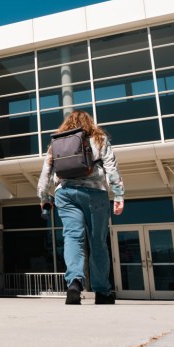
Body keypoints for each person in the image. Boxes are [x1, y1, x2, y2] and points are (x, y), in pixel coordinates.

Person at [37, 110, 125, 305]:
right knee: (98, 242)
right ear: (89, 122)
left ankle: (74, 282)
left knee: (72, 238)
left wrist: (43, 197)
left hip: (65, 193)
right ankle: (102, 292)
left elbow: (45, 173)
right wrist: (118, 194)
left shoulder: (56, 143)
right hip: (95, 193)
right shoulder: (99, 139)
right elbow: (111, 168)